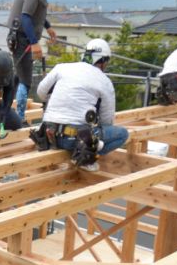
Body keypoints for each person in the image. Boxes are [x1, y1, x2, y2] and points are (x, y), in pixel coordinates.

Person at [34, 38, 130, 171]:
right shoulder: (104, 81)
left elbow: (41, 92)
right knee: (122, 134)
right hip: (73, 140)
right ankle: (85, 158)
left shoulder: (62, 67)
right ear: (102, 61)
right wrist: (94, 135)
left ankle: (78, 152)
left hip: (47, 135)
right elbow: (107, 120)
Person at [7, 0, 67, 118]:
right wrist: (34, 42)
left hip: (21, 37)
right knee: (25, 80)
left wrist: (47, 27)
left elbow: (35, 14)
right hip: (22, 39)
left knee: (19, 76)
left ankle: (10, 111)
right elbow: (25, 17)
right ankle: (19, 117)